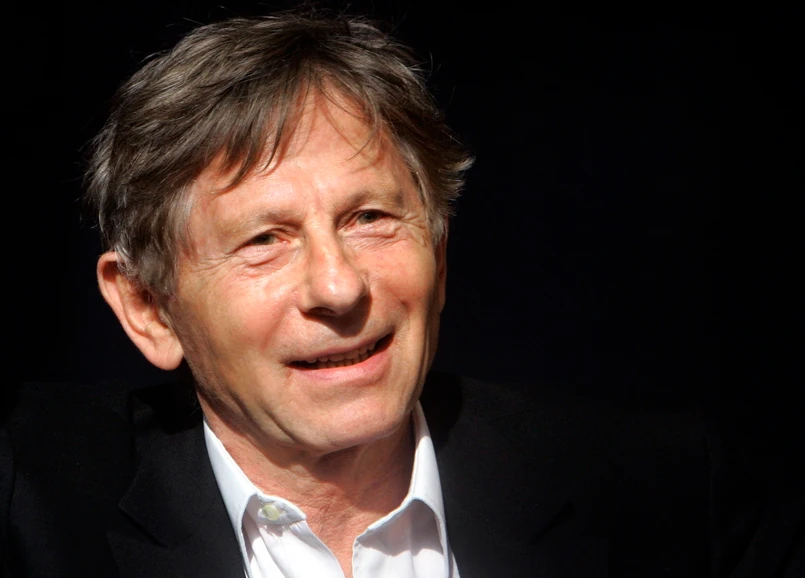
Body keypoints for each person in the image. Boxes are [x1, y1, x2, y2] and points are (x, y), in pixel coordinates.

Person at [0, 9, 792, 578]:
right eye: (264, 239)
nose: (338, 287)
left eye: (370, 218)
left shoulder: (665, 491)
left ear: (438, 254)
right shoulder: (26, 504)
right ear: (147, 308)